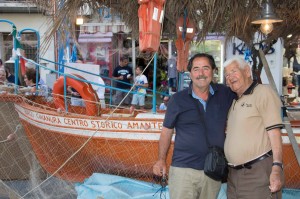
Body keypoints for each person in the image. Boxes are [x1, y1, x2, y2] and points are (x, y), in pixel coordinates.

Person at [153, 53, 236, 199]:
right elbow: (166, 132)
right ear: (190, 73)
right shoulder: (177, 99)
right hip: (183, 170)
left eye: (206, 68)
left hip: (213, 170)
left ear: (213, 71)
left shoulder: (225, 93)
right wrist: (161, 160)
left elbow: (245, 93)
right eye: (196, 69)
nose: (201, 74)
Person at [223, 56, 284, 199]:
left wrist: (276, 167)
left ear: (247, 71)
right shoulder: (234, 101)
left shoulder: (263, 92)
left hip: (258, 174)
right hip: (233, 176)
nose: (230, 77)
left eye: (233, 71)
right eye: (227, 74)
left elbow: (275, 133)